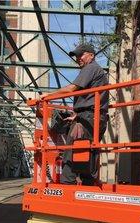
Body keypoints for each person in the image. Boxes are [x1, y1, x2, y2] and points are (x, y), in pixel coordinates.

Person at [43, 43, 109, 185]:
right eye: (77, 56)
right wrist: (76, 115)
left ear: (91, 55)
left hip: (89, 117)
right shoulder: (97, 71)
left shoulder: (91, 67)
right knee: (88, 153)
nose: (78, 58)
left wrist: (48, 95)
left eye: (81, 54)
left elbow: (72, 88)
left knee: (70, 153)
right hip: (92, 116)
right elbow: (91, 99)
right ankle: (88, 185)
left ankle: (67, 186)